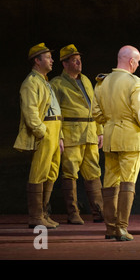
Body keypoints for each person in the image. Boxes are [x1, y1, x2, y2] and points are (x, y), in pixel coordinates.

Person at [92, 45, 140, 241]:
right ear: (131, 62)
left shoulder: (102, 82)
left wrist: (109, 123)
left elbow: (95, 113)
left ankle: (110, 228)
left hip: (110, 137)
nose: (138, 65)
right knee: (128, 182)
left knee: (110, 182)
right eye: (138, 61)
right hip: (131, 138)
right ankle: (122, 228)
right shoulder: (135, 82)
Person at [50, 44, 104, 224]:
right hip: (71, 134)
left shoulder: (87, 80)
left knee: (94, 172)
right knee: (70, 173)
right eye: (74, 60)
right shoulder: (56, 84)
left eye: (79, 59)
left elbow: (94, 106)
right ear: (64, 64)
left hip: (90, 133)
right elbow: (54, 113)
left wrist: (100, 130)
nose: (79, 62)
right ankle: (73, 212)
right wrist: (58, 136)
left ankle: (99, 211)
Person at [14, 43, 63, 229]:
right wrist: (42, 132)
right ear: (37, 60)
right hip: (45, 129)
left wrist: (59, 136)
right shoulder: (31, 82)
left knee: (52, 171)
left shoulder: (44, 81)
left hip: (54, 128)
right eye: (48, 57)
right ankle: (35, 216)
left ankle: (43, 213)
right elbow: (30, 111)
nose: (52, 60)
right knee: (39, 172)